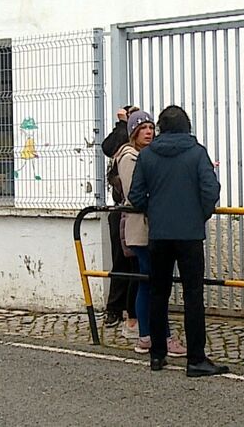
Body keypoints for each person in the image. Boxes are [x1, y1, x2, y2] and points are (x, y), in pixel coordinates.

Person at [128, 105, 228, 377]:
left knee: (158, 294)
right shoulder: (197, 153)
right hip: (190, 234)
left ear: (160, 127)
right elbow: (211, 190)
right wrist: (199, 215)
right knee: (193, 296)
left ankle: (157, 354)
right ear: (187, 126)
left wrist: (154, 210)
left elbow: (136, 196)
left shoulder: (147, 156)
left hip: (159, 234)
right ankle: (195, 358)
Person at [115, 110, 186, 358]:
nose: (148, 132)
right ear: (133, 131)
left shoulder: (149, 155)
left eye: (151, 127)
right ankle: (156, 335)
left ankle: (148, 335)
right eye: (142, 127)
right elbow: (136, 192)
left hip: (153, 226)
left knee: (150, 282)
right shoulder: (129, 157)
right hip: (142, 227)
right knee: (153, 282)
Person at [101, 105, 139, 332]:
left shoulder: (142, 148)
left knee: (137, 265)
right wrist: (122, 123)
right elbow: (108, 146)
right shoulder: (122, 149)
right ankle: (114, 309)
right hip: (120, 211)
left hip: (136, 212)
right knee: (121, 261)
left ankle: (130, 310)